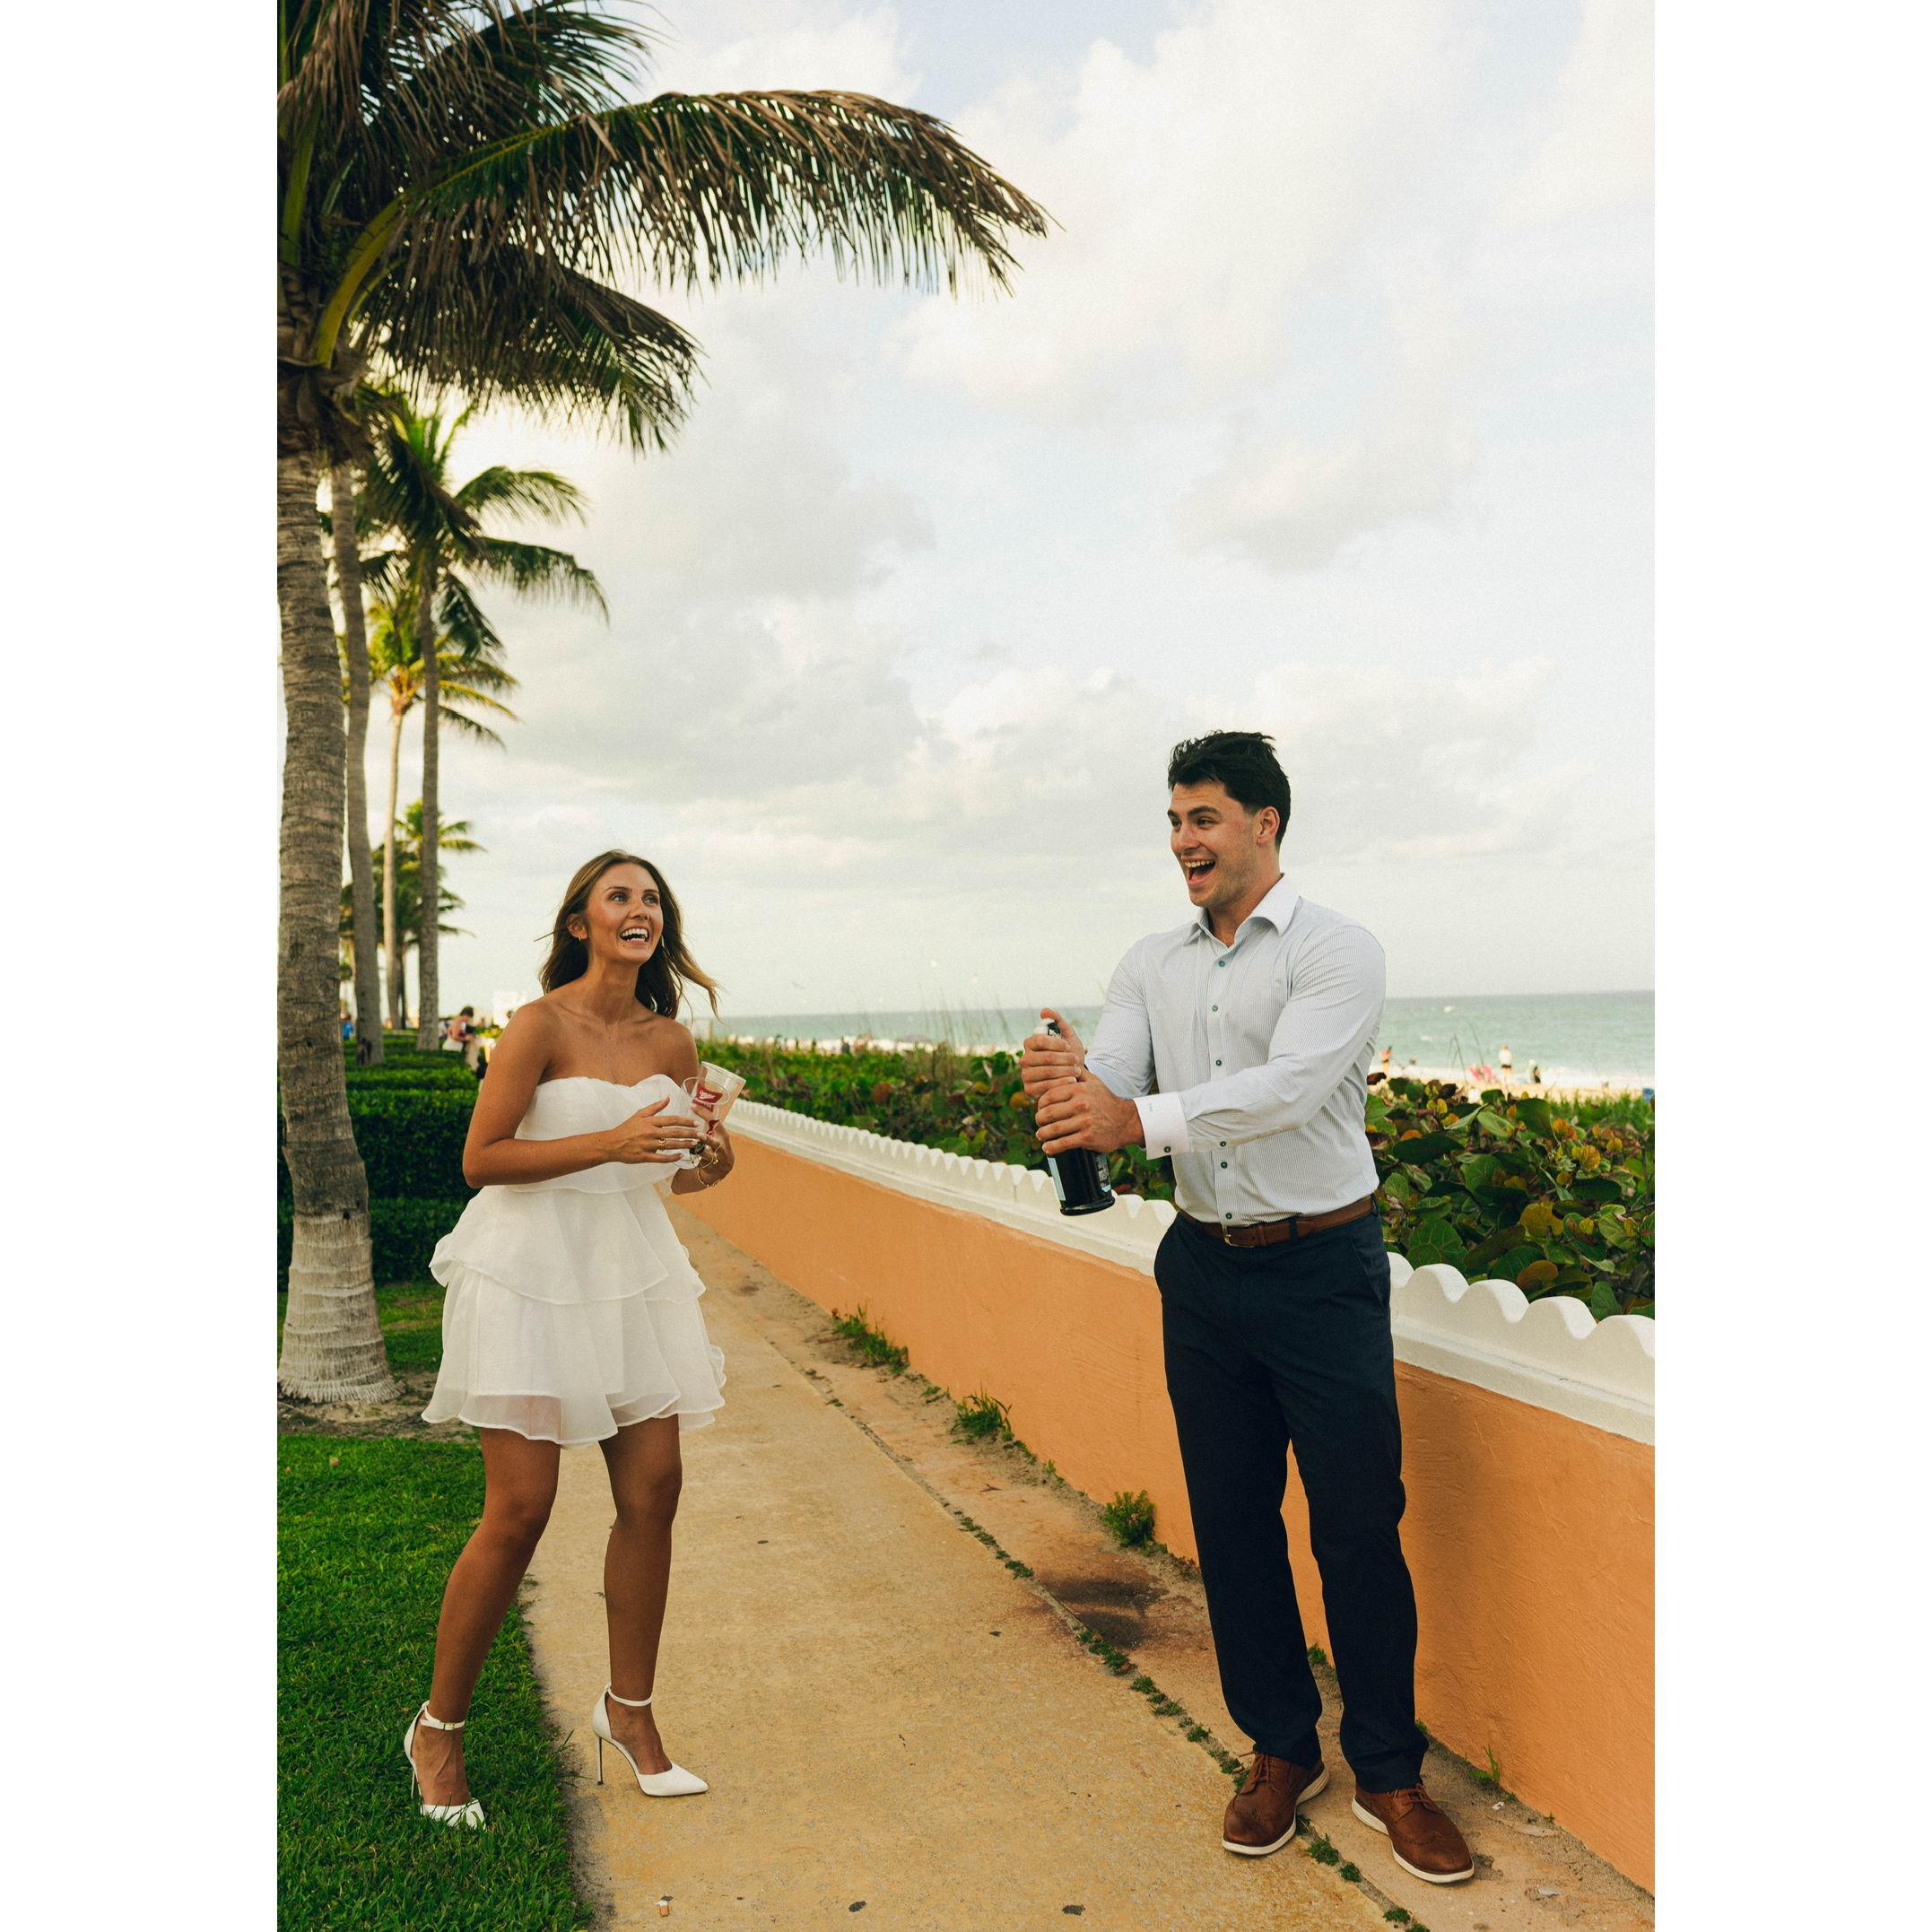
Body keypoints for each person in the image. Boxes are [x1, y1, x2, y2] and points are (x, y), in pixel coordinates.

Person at [1020, 732, 1474, 1887]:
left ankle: (1390, 1773)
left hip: (1324, 1270)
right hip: (1204, 1271)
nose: (1184, 842)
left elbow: (1290, 1090)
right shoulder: (1149, 964)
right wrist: (1073, 1082)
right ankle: (1282, 1750)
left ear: (1265, 824)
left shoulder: (1336, 950)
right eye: (1175, 822)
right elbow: (1118, 1077)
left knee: (1358, 1527)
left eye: (1204, 819)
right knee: (1232, 1524)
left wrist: (1133, 1121)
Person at [406, 850, 735, 1829]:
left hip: (628, 1274)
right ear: (581, 923)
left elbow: (674, 1174)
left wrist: (708, 1160)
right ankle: (437, 1730)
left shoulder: (672, 1038)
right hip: (528, 1274)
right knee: (521, 1508)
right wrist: (610, 1141)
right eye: (618, 896)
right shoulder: (537, 1025)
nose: (640, 909)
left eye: (651, 899)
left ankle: (629, 1714)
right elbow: (481, 1159)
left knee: (655, 1489)